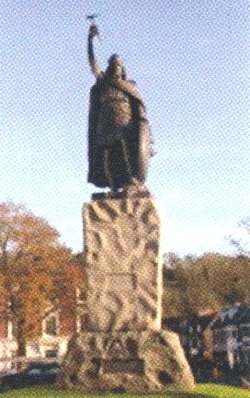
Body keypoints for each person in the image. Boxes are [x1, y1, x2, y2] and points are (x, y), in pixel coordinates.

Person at [87, 23, 153, 192]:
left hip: (125, 124)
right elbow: (93, 64)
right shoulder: (103, 82)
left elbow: (139, 109)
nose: (115, 68)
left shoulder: (129, 87)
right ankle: (113, 186)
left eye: (118, 65)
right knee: (107, 156)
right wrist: (90, 40)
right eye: (113, 65)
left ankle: (132, 183)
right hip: (106, 124)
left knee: (127, 155)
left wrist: (146, 135)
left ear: (122, 69)